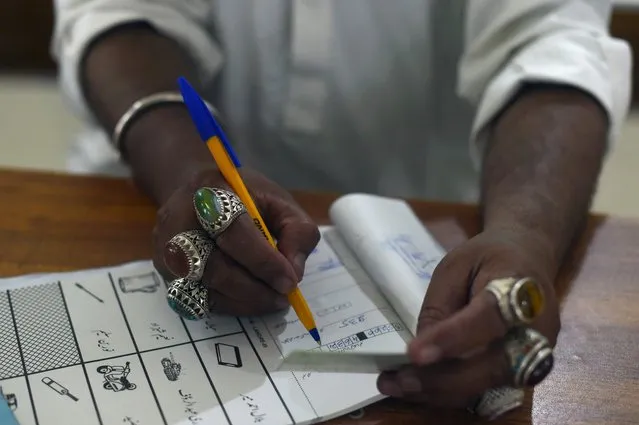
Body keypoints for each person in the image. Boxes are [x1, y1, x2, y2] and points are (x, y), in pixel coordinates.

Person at [52, 0, 631, 415]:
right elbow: (114, 14)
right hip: (150, 194)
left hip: (448, 221)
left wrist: (526, 234)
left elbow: (554, 40)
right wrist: (187, 173)